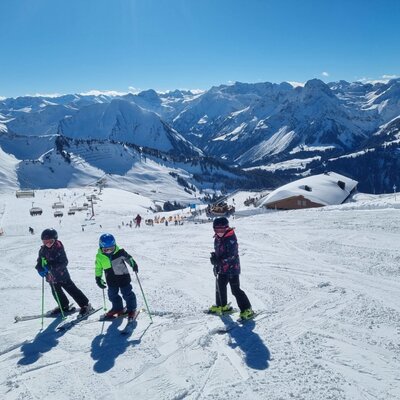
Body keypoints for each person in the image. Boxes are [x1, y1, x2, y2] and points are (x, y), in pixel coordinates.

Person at [35, 228, 93, 317]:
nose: (48, 244)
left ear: (55, 239)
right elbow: (39, 261)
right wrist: (39, 268)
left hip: (62, 275)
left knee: (72, 290)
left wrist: (51, 266)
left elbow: (64, 262)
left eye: (50, 241)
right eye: (45, 242)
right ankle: (63, 305)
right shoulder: (42, 250)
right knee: (56, 292)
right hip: (51, 277)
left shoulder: (58, 247)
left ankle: (85, 305)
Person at [208, 217, 254, 320]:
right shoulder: (217, 239)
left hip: (233, 268)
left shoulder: (231, 239)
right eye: (217, 230)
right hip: (222, 268)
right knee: (220, 287)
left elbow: (232, 256)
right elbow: (219, 252)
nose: (219, 232)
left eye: (222, 230)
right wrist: (214, 258)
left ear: (227, 228)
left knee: (235, 290)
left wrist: (219, 261)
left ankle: (247, 309)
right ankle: (222, 306)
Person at [95, 233, 138, 319]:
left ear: (115, 246)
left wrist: (133, 264)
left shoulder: (120, 252)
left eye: (111, 249)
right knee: (112, 294)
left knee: (127, 293)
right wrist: (98, 278)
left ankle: (131, 309)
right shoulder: (99, 257)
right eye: (106, 250)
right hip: (110, 279)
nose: (109, 251)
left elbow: (128, 258)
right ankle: (118, 308)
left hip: (123, 277)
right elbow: (98, 268)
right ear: (101, 248)